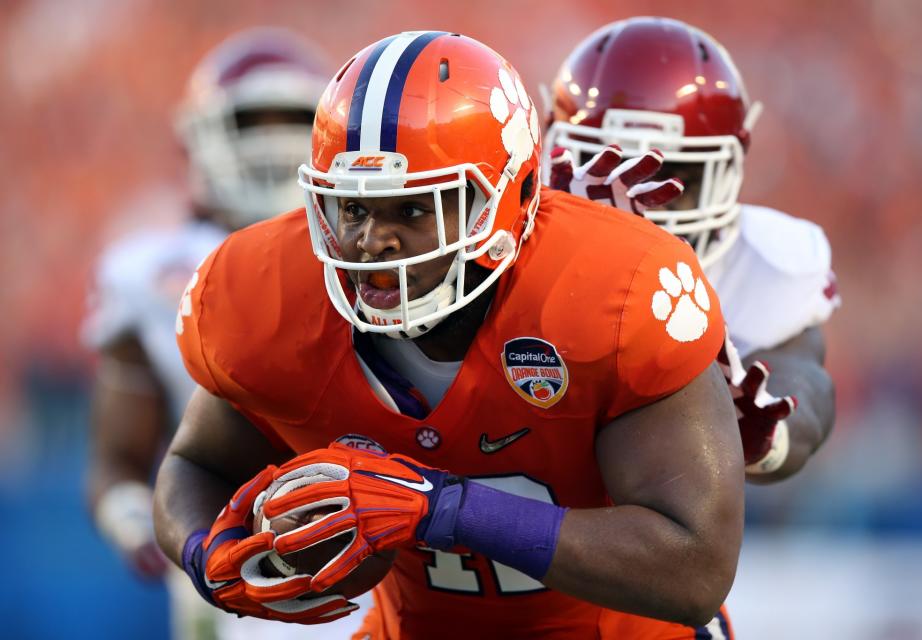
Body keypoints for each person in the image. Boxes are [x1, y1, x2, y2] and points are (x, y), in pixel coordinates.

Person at [154, 30, 745, 639]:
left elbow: (693, 570)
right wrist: (204, 552)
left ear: (510, 196)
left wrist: (442, 509)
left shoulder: (611, 291)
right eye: (354, 207)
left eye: (413, 208)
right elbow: (195, 462)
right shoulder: (267, 294)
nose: (370, 241)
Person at [82, 27, 365, 640]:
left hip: (368, 536)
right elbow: (118, 459)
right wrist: (143, 526)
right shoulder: (146, 272)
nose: (268, 144)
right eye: (249, 123)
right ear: (201, 137)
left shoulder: (375, 254)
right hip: (225, 547)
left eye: (286, 121)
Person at [545, 17, 839, 484]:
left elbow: (805, 387)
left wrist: (765, 434)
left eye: (676, 178)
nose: (640, 201)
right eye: (607, 167)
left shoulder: (767, 262)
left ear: (729, 170)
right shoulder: (515, 242)